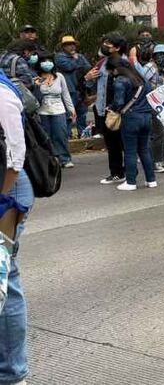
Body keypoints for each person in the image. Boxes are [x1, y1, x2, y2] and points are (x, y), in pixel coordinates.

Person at [0, 67, 35, 385]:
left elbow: (15, 156)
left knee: (4, 279)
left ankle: (12, 373)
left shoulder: (1, 93)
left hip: (8, 191)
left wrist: (1, 199)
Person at [107, 56, 156, 191]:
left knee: (130, 151)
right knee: (144, 149)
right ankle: (151, 180)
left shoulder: (120, 81)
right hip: (146, 117)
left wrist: (111, 108)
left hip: (131, 118)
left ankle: (131, 181)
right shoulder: (142, 80)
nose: (111, 74)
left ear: (116, 69)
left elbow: (119, 103)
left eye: (111, 71)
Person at [84, 36, 127, 185]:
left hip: (118, 110)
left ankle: (129, 172)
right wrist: (88, 78)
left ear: (117, 48)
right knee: (111, 143)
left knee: (124, 142)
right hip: (102, 109)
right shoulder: (102, 63)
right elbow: (92, 84)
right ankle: (116, 172)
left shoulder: (124, 63)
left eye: (109, 44)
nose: (105, 45)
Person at [34, 50, 75, 168]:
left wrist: (71, 109)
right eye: (44, 61)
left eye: (49, 61)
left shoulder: (59, 76)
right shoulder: (35, 78)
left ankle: (65, 158)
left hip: (58, 110)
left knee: (60, 135)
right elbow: (33, 97)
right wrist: (36, 86)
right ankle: (49, 160)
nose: (47, 63)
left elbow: (65, 94)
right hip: (42, 111)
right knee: (46, 136)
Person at [54, 35, 91, 136]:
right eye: (68, 45)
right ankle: (67, 136)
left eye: (73, 44)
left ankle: (83, 134)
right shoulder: (59, 57)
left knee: (82, 114)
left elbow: (87, 68)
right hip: (69, 90)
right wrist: (76, 60)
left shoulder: (80, 56)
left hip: (81, 89)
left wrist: (77, 61)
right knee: (69, 115)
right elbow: (68, 67)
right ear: (63, 47)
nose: (72, 47)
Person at [148, 44, 164, 173]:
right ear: (154, 56)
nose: (162, 58)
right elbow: (141, 82)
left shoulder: (163, 69)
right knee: (157, 134)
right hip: (151, 105)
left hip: (161, 106)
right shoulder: (149, 68)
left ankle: (159, 160)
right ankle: (155, 162)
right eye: (159, 55)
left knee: (161, 134)